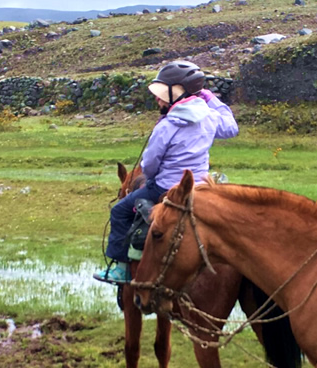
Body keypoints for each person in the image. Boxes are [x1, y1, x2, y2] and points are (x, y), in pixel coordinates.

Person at [93, 60, 238, 284]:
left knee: (120, 212)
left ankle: (120, 268)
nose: (157, 98)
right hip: (200, 186)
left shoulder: (167, 125)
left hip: (163, 188)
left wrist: (152, 177)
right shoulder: (210, 116)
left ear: (178, 94)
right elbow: (231, 128)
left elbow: (150, 164)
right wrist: (210, 98)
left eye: (162, 94)